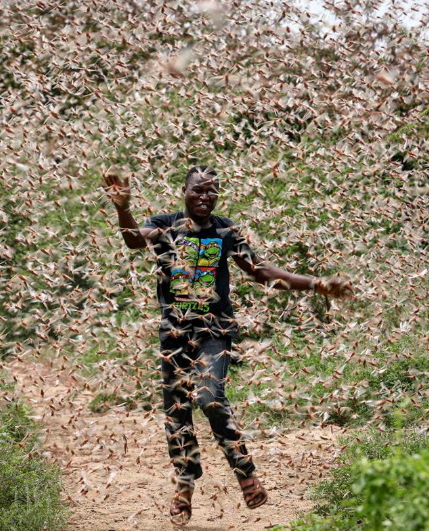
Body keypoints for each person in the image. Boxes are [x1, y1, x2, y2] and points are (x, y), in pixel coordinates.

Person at [102, 165, 352, 527]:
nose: (204, 197)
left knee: (210, 397)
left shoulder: (226, 231)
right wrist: (122, 207)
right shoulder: (165, 225)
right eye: (197, 190)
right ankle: (184, 486)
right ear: (184, 192)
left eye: (211, 191)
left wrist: (315, 284)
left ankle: (245, 471)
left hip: (214, 331)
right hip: (174, 333)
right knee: (178, 412)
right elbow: (133, 240)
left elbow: (262, 272)